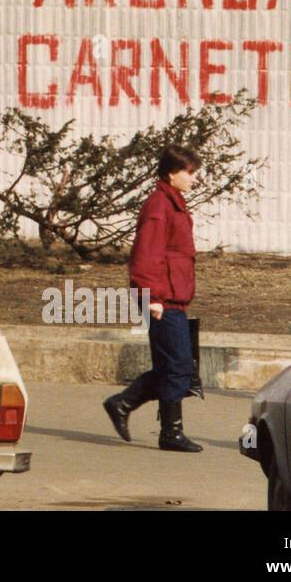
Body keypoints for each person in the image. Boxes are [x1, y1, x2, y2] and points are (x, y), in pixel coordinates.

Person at [102, 144, 203, 453]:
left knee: (172, 365)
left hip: (173, 297)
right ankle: (169, 432)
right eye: (190, 173)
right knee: (178, 365)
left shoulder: (172, 203)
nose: (194, 179)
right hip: (161, 299)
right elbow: (147, 255)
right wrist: (152, 297)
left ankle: (122, 404)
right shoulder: (159, 206)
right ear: (172, 174)